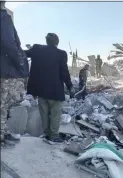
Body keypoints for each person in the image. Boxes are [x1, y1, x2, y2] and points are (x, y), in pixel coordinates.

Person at [24, 33, 75, 144]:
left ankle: (47, 134)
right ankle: (54, 136)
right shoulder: (61, 54)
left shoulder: (37, 50)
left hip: (40, 90)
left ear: (47, 41)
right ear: (57, 42)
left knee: (44, 114)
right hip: (55, 91)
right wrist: (70, 86)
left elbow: (23, 54)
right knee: (55, 114)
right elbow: (64, 72)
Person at [0, 0, 29, 148]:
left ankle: (3, 131)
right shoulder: (3, 16)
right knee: (6, 101)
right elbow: (8, 41)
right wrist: (20, 61)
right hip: (6, 70)